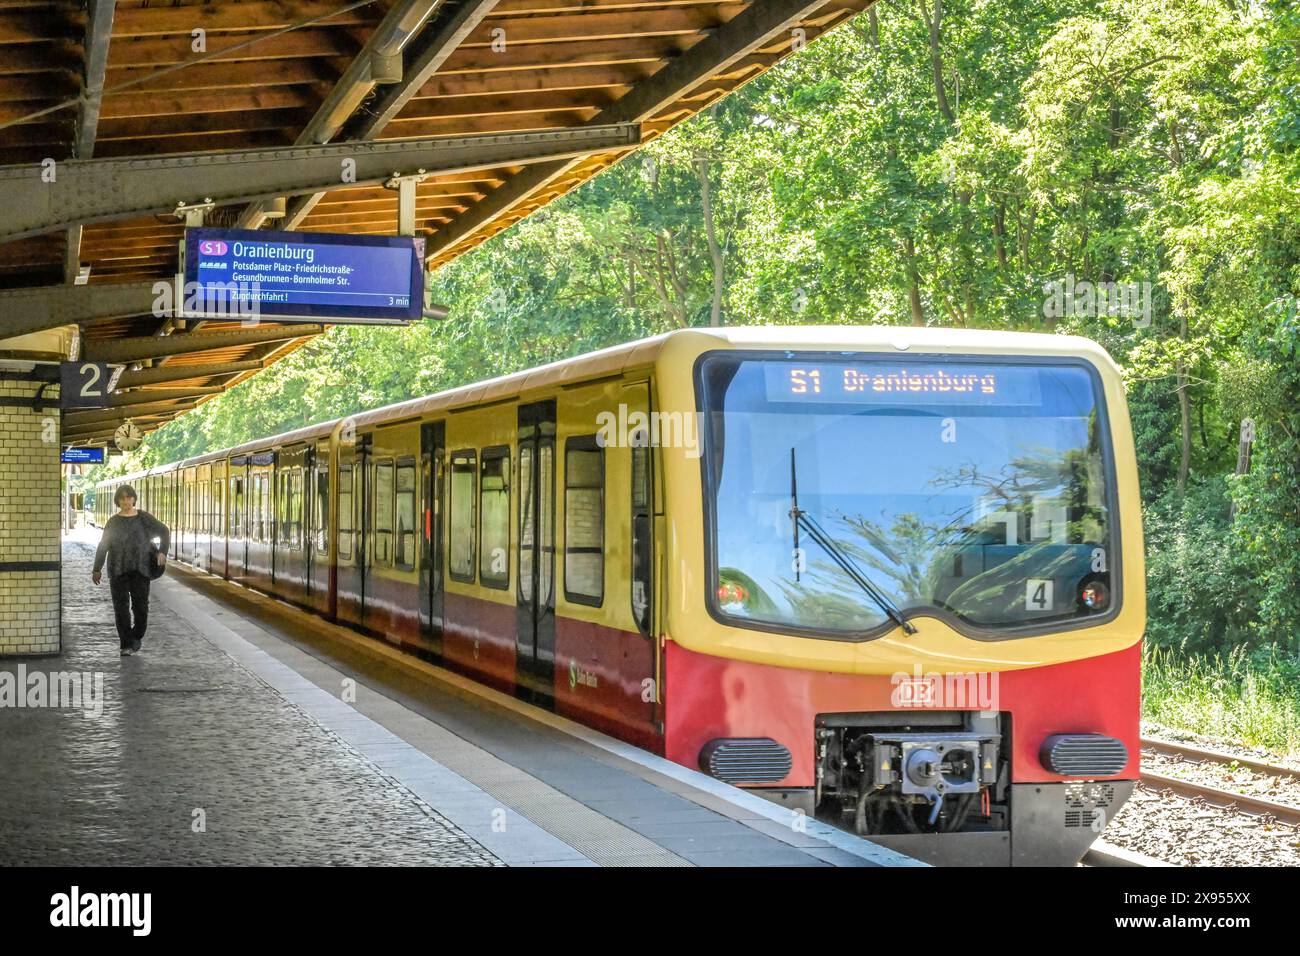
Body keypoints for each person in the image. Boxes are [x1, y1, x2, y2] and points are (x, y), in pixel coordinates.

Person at [92, 484, 170, 657]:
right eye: (122, 498)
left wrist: (162, 552)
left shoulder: (143, 518)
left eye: (129, 497)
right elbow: (103, 545)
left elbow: (164, 531)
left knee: (141, 608)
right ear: (118, 501)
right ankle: (126, 644)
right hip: (118, 570)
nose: (126, 501)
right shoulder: (113, 522)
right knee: (121, 609)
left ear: (134, 499)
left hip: (140, 570)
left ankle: (137, 635)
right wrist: (97, 568)